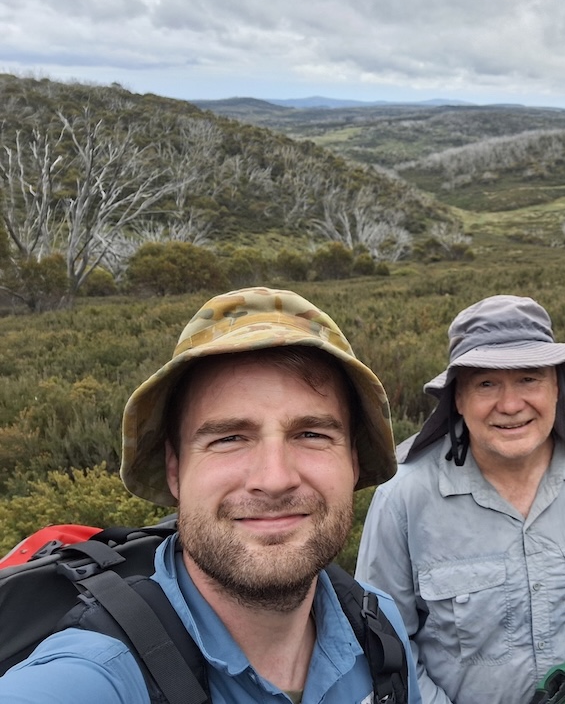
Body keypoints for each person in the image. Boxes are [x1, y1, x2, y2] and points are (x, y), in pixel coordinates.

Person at [0, 286, 421, 704]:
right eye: (229, 438)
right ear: (175, 470)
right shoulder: (93, 678)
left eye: (311, 434)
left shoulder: (378, 627)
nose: (274, 478)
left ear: (352, 462)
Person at [355, 294, 565, 704]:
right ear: (458, 400)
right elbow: (384, 646)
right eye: (486, 383)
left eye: (529, 378)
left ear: (557, 388)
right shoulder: (405, 495)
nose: (511, 405)